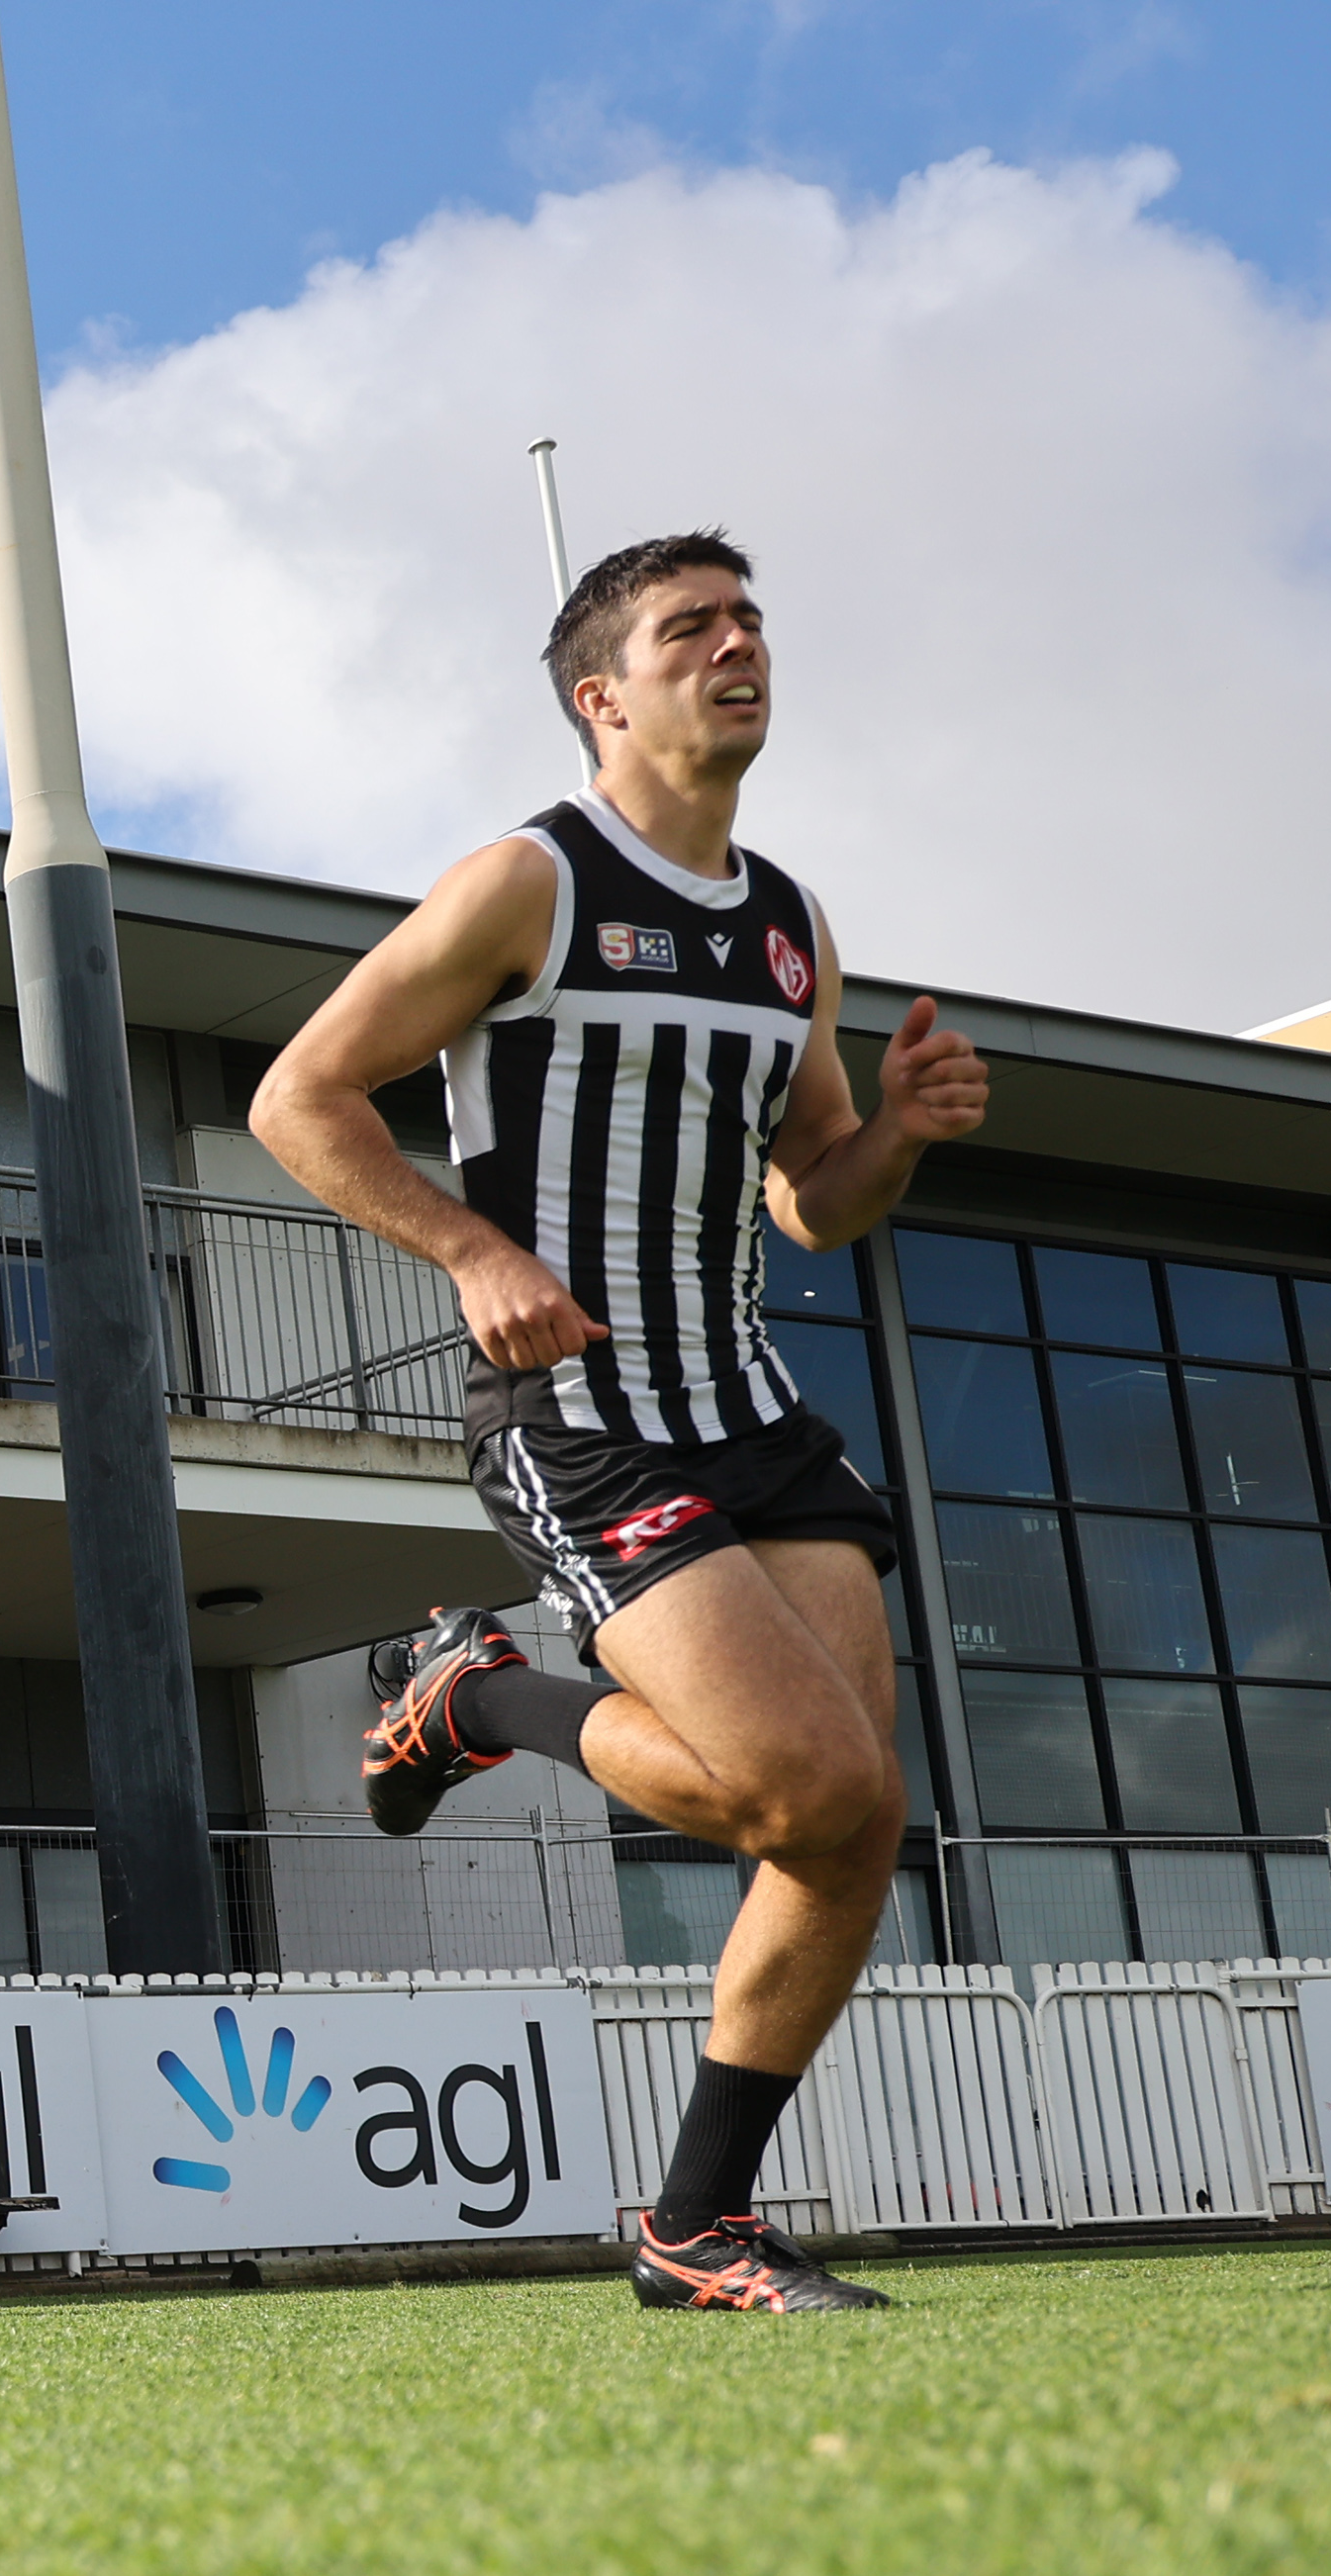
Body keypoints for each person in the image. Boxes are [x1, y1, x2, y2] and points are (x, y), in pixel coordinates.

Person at [248, 529, 988, 2317]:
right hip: (580, 1406)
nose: (738, 646)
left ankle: (696, 2226)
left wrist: (897, 1128)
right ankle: (477, 1695)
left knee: (851, 1819)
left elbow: (817, 1195)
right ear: (606, 694)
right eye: (691, 629)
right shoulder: (529, 880)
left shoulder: (790, 923)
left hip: (750, 1404)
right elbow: (301, 1096)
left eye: (749, 621)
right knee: (796, 1787)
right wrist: (469, 1243)